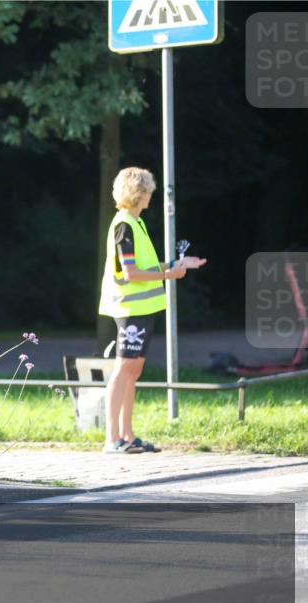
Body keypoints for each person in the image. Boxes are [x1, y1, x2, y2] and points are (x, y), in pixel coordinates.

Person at [97, 167, 206, 454]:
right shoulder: (124, 225)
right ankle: (112, 439)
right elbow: (130, 272)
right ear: (137, 193)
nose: (150, 196)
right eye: (147, 191)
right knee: (123, 370)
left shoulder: (137, 223)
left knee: (132, 371)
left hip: (143, 309)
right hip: (130, 308)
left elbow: (144, 266)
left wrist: (174, 265)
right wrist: (169, 275)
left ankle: (128, 435)